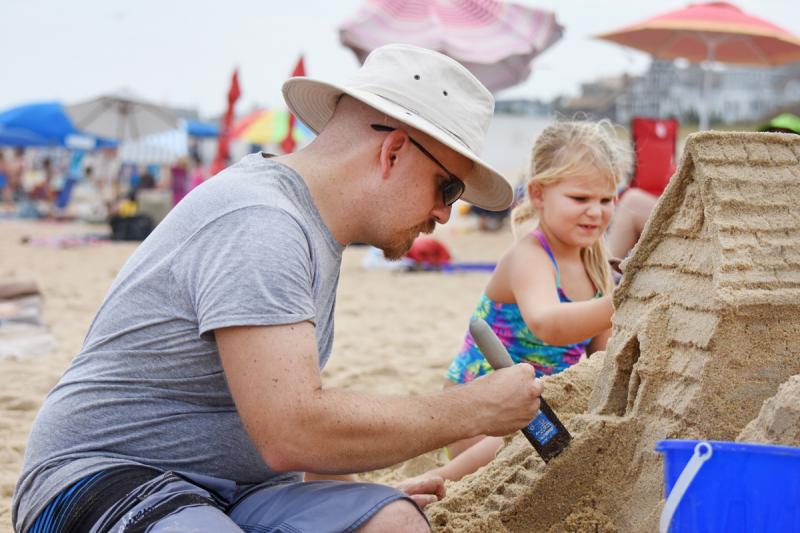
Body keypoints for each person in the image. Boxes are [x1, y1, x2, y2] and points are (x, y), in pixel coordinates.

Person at [13, 44, 545, 533]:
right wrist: (470, 410)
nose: (444, 214)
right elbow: (290, 429)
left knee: (395, 523)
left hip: (241, 490)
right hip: (103, 475)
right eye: (447, 187)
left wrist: (353, 497)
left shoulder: (310, 225)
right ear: (394, 152)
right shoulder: (262, 222)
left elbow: (277, 413)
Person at [428, 120, 632, 482]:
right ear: (538, 195)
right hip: (480, 411)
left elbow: (600, 358)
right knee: (525, 433)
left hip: (537, 411)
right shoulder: (531, 254)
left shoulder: (596, 261)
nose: (596, 211)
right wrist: (624, 301)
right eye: (580, 198)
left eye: (606, 199)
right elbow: (548, 324)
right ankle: (441, 479)